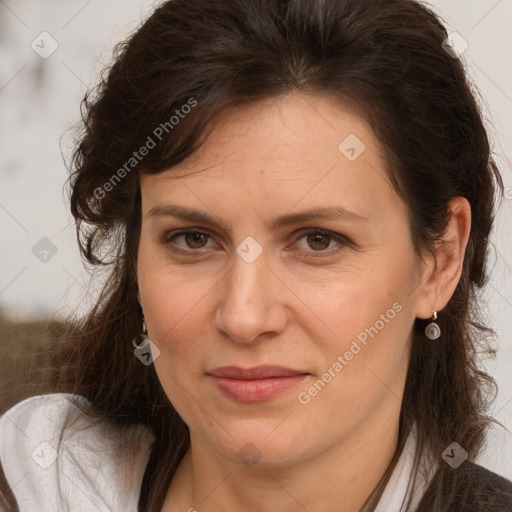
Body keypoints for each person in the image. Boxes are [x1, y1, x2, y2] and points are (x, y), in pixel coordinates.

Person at [1, 0, 511, 510]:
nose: (243, 318)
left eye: (318, 240)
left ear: (440, 261)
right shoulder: (38, 480)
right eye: (193, 239)